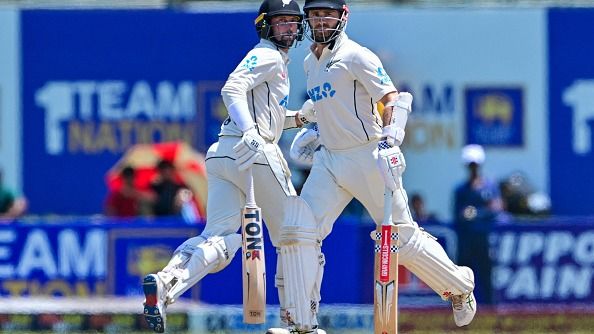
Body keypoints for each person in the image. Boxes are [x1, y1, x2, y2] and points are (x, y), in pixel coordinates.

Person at [276, 1, 477, 332]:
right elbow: (332, 107)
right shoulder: (310, 61)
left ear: (343, 16)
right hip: (329, 161)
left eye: (327, 14)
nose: (320, 21)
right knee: (301, 230)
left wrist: (390, 138)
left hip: (368, 157)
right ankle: (303, 321)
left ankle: (459, 285)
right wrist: (316, 131)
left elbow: (391, 98)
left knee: (402, 241)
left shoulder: (357, 56)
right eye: (314, 15)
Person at [141, 1, 317, 332]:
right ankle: (300, 323)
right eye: (280, 22)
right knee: (296, 232)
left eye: (293, 23)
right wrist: (251, 133)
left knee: (221, 239)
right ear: (264, 24)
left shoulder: (277, 61)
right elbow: (232, 88)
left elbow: (270, 118)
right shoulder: (266, 55)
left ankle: (166, 285)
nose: (289, 29)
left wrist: (302, 117)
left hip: (223, 153)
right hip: (253, 151)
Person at [453, 144, 504, 305]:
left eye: (475, 165)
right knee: (462, 277)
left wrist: (476, 214)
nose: (473, 169)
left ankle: (490, 309)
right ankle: (460, 310)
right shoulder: (461, 190)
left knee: (487, 276)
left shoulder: (489, 187)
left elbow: (496, 209)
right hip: (466, 241)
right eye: (470, 166)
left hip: (484, 239)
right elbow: (458, 215)